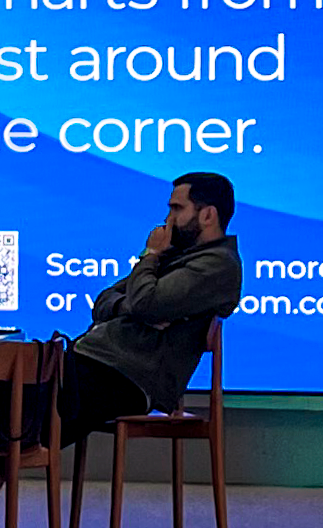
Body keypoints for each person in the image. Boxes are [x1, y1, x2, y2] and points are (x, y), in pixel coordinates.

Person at [55, 172, 243, 449]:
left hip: (127, 379)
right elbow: (103, 301)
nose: (167, 219)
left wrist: (150, 256)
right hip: (96, 364)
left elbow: (147, 304)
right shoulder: (174, 256)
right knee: (8, 401)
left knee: (18, 412)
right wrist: (129, 307)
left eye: (177, 209)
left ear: (208, 215)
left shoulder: (217, 266)